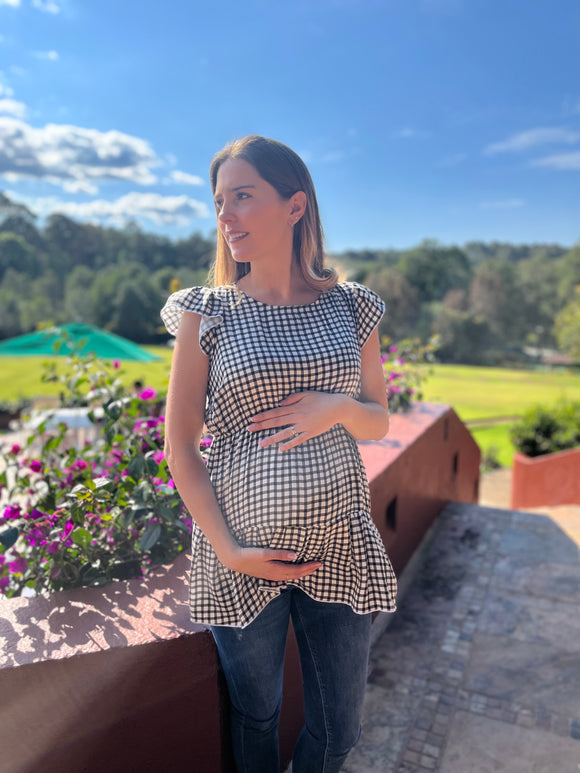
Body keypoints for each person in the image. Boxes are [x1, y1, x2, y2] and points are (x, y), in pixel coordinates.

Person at [161, 135, 397, 773]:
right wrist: (230, 549)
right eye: (219, 201)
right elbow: (180, 447)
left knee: (339, 730)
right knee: (257, 716)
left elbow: (377, 420)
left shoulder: (352, 306)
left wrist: (336, 407)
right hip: (241, 555)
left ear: (295, 206)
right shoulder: (207, 312)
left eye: (243, 196)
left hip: (339, 544)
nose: (226, 215)